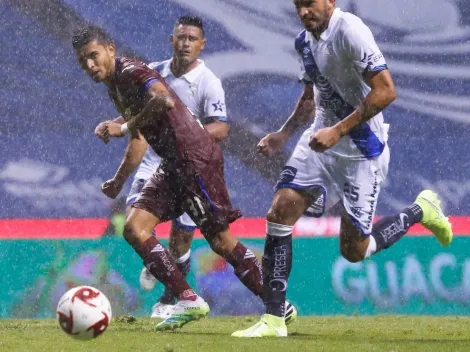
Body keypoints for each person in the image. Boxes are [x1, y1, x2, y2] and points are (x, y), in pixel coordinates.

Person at [232, 0, 453, 338]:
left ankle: (420, 210)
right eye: (299, 5)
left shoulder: (350, 31)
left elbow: (386, 91)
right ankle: (274, 319)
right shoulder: (303, 41)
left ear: (331, 1)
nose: (305, 11)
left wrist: (338, 130)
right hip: (319, 142)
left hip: (361, 152)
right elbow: (311, 95)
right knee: (279, 213)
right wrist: (284, 133)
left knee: (354, 251)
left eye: (311, 3)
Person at [72, 25, 295, 331]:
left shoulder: (130, 71)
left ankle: (277, 305)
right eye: (83, 61)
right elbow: (140, 135)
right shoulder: (116, 85)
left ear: (110, 48)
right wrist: (118, 179)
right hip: (173, 163)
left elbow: (163, 100)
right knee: (135, 228)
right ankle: (188, 299)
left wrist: (121, 127)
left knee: (221, 241)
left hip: (193, 160)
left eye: (93, 56)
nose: (90, 65)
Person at [95, 16, 229, 319]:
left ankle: (170, 298)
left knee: (180, 242)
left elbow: (221, 128)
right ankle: (157, 265)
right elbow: (137, 111)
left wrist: (190, 137)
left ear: (201, 44)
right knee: (135, 222)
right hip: (155, 159)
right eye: (181, 37)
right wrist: (114, 123)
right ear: (172, 40)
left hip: (189, 164)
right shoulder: (152, 72)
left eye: (192, 39)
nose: (185, 43)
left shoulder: (208, 82)